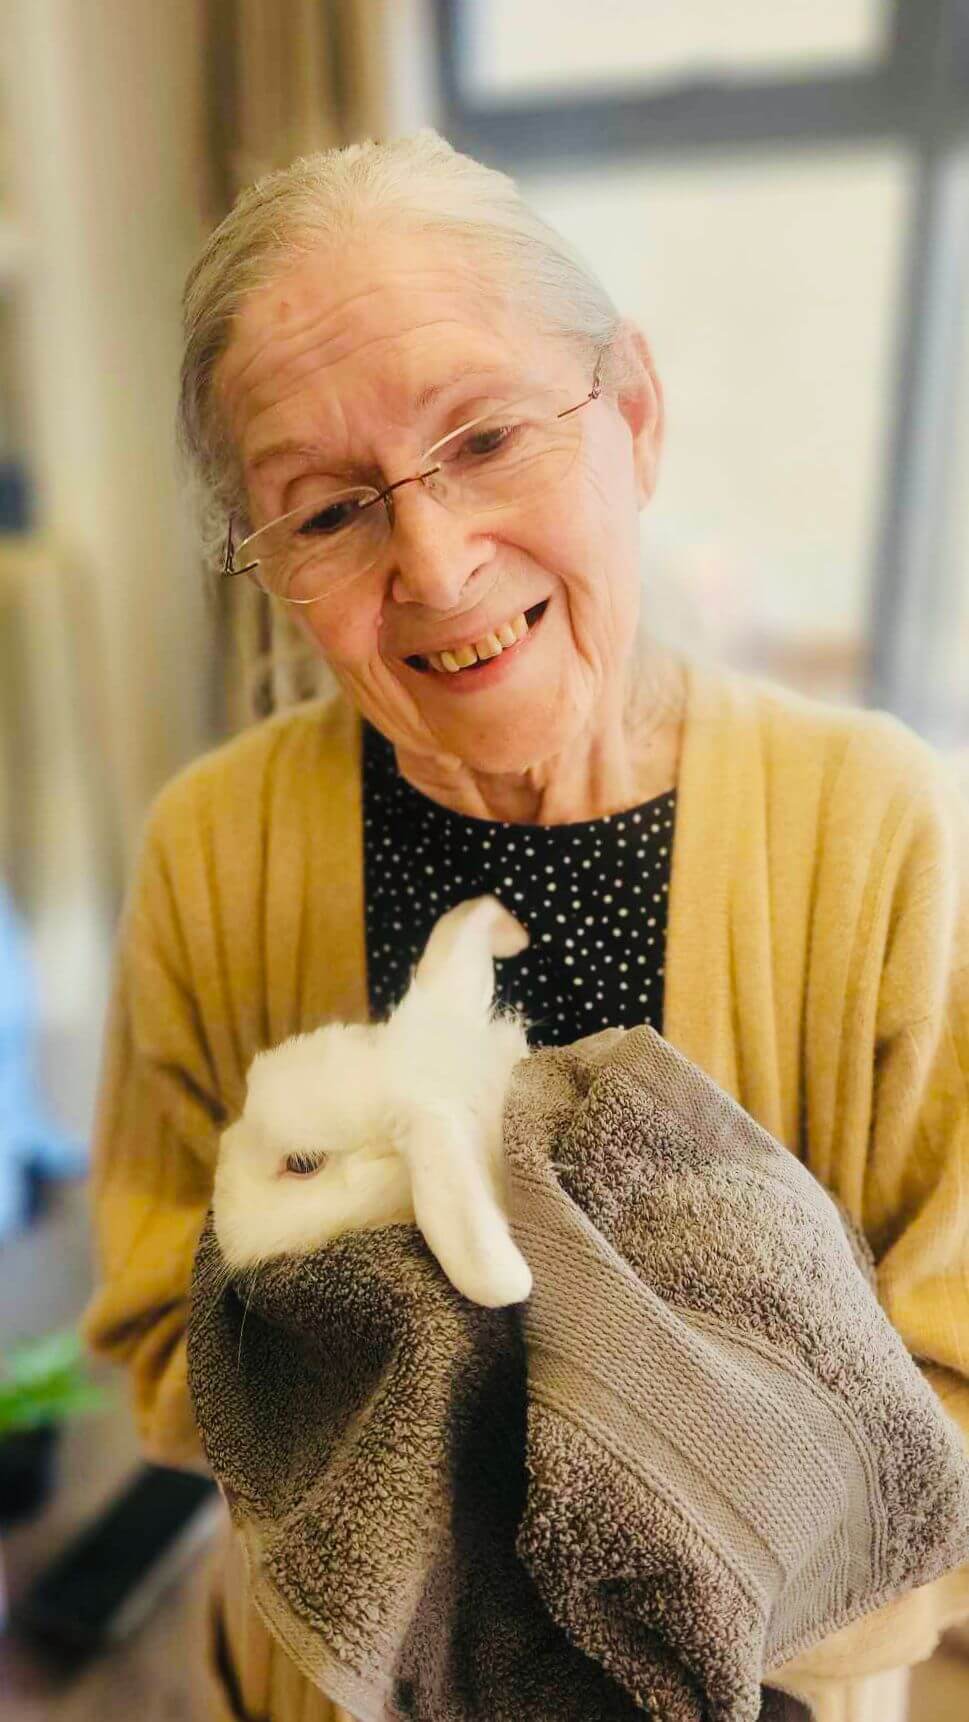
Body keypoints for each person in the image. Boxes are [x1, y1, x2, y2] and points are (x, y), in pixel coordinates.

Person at [82, 130, 969, 1722]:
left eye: (484, 437)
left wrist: (656, 1499)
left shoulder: (884, 833)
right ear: (267, 565)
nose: (432, 562)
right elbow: (158, 1320)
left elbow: (952, 1377)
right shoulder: (213, 851)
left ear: (630, 411)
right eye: (327, 511)